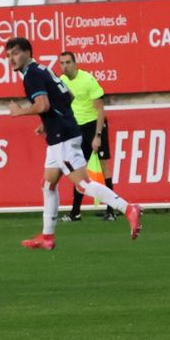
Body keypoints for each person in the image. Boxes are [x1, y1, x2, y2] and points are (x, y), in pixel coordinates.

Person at [6, 37, 142, 249]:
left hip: (63, 137)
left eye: (15, 53)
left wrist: (20, 111)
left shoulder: (31, 75)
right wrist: (48, 122)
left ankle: (128, 208)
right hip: (59, 134)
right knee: (48, 184)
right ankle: (47, 236)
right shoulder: (43, 69)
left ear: (27, 53)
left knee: (82, 184)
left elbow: (43, 105)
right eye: (8, 55)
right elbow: (68, 96)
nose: (11, 59)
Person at [58, 51, 114, 222]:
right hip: (77, 129)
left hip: (94, 125)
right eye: (62, 63)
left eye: (68, 62)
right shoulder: (62, 81)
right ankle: (75, 212)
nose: (65, 66)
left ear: (75, 64)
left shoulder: (88, 80)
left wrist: (98, 136)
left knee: (104, 168)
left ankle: (111, 210)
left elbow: (100, 110)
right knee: (78, 169)